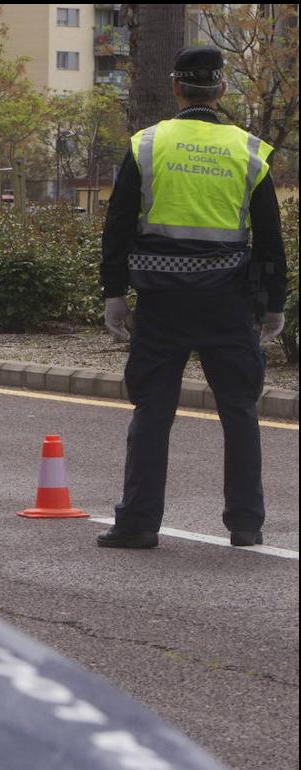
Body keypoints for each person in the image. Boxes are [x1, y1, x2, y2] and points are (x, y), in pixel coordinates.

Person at [97, 46, 287, 549]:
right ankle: (245, 523)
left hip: (161, 303)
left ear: (176, 88)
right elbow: (270, 239)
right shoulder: (249, 150)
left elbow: (117, 226)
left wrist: (113, 293)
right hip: (229, 302)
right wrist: (275, 303)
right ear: (221, 89)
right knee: (239, 412)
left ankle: (138, 524)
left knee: (152, 412)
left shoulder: (146, 145)